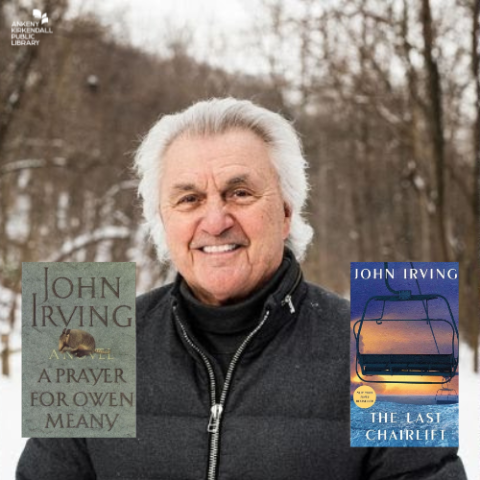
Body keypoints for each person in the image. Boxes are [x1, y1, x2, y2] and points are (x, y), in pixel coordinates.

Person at [17, 98, 466, 479]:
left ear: (287, 211)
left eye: (239, 193)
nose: (215, 221)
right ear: (162, 220)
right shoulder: (86, 332)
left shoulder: (401, 334)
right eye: (189, 198)